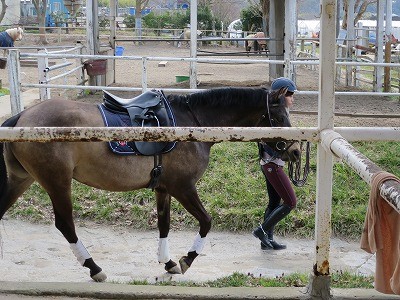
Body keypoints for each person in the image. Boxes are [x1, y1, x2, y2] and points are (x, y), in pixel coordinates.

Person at [252, 77, 298, 250]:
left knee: (274, 202)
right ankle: (262, 230)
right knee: (290, 202)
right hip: (273, 164)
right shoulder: (273, 116)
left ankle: (267, 240)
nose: (293, 98)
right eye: (290, 95)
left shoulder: (277, 113)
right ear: (282, 94)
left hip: (270, 163)